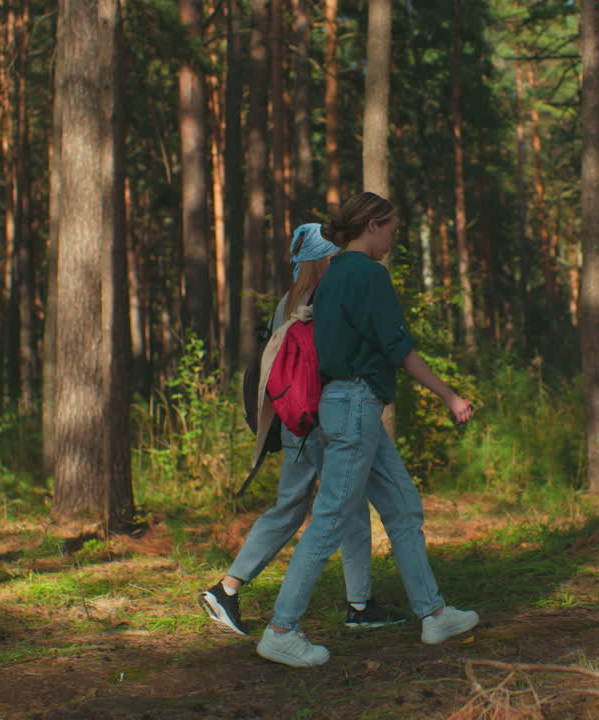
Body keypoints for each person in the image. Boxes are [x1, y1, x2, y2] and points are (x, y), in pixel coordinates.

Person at [256, 192, 479, 668]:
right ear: (373, 225)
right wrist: (450, 396)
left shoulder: (331, 276)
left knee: (402, 505)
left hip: (342, 405)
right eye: (392, 231)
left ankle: (434, 613)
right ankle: (281, 629)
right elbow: (399, 348)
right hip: (356, 405)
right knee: (333, 516)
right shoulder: (369, 275)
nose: (393, 241)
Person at [199, 223, 408, 635]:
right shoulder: (327, 296)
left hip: (292, 421)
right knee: (348, 508)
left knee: (290, 507)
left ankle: (227, 588)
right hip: (324, 420)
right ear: (325, 258)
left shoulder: (286, 302)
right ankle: (360, 605)